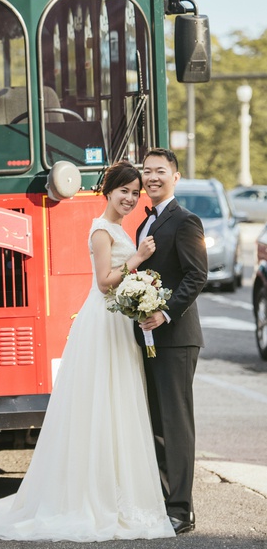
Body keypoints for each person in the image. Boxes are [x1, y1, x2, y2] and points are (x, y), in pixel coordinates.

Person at [0, 161, 175, 542]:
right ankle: (95, 495)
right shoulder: (101, 230)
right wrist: (138, 260)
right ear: (108, 191)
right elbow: (103, 283)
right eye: (124, 191)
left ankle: (118, 489)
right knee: (103, 401)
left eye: (135, 192)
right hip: (103, 320)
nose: (130, 199)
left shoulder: (118, 228)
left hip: (116, 321)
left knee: (119, 402)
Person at [137, 148, 208, 536]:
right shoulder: (144, 225)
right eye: (146, 171)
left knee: (176, 425)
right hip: (149, 338)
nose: (152, 177)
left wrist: (164, 313)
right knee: (158, 424)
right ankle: (165, 502)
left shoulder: (186, 221)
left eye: (160, 171)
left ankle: (182, 510)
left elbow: (197, 276)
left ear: (175, 177)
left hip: (177, 338)